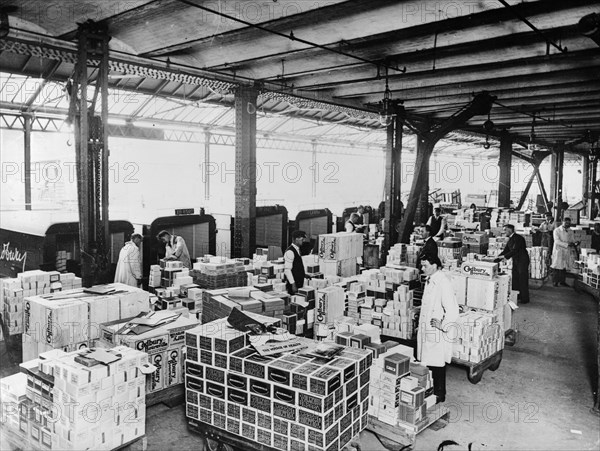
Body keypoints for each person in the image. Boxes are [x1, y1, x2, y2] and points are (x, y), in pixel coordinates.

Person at [416, 254, 459, 404]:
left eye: (425, 265)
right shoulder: (431, 280)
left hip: (436, 332)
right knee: (429, 363)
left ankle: (440, 395)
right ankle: (430, 393)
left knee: (437, 364)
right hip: (427, 329)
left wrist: (443, 325)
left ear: (434, 266)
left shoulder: (443, 282)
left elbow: (453, 310)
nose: (422, 268)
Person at [495, 224, 530, 304]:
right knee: (515, 278)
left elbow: (515, 250)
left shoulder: (518, 238)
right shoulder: (511, 239)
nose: (504, 232)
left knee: (522, 278)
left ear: (509, 230)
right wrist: (497, 258)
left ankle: (525, 298)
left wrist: (504, 256)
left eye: (505, 230)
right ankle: (517, 296)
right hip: (516, 260)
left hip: (522, 260)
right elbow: (506, 250)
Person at [551, 217, 578, 287]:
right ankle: (555, 281)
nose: (567, 224)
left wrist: (576, 242)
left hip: (566, 250)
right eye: (566, 223)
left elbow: (573, 239)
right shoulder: (557, 230)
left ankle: (562, 281)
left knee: (564, 266)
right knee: (557, 266)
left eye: (569, 223)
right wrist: (567, 244)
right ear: (562, 222)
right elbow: (556, 241)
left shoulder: (570, 231)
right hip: (559, 250)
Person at [284, 230, 307, 295]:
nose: (304, 241)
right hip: (294, 285)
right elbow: (287, 270)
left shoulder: (298, 250)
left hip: (299, 283)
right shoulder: (290, 252)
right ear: (296, 239)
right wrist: (293, 284)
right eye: (302, 239)